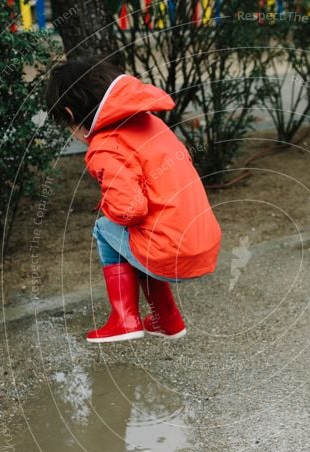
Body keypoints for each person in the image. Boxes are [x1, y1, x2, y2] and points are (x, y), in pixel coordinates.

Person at [45, 59, 222, 343]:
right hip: (203, 244)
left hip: (170, 253)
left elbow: (131, 210)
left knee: (105, 229)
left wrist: (109, 207)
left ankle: (125, 320)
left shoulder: (106, 146)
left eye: (67, 124)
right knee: (135, 239)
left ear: (70, 113)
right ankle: (167, 320)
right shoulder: (152, 124)